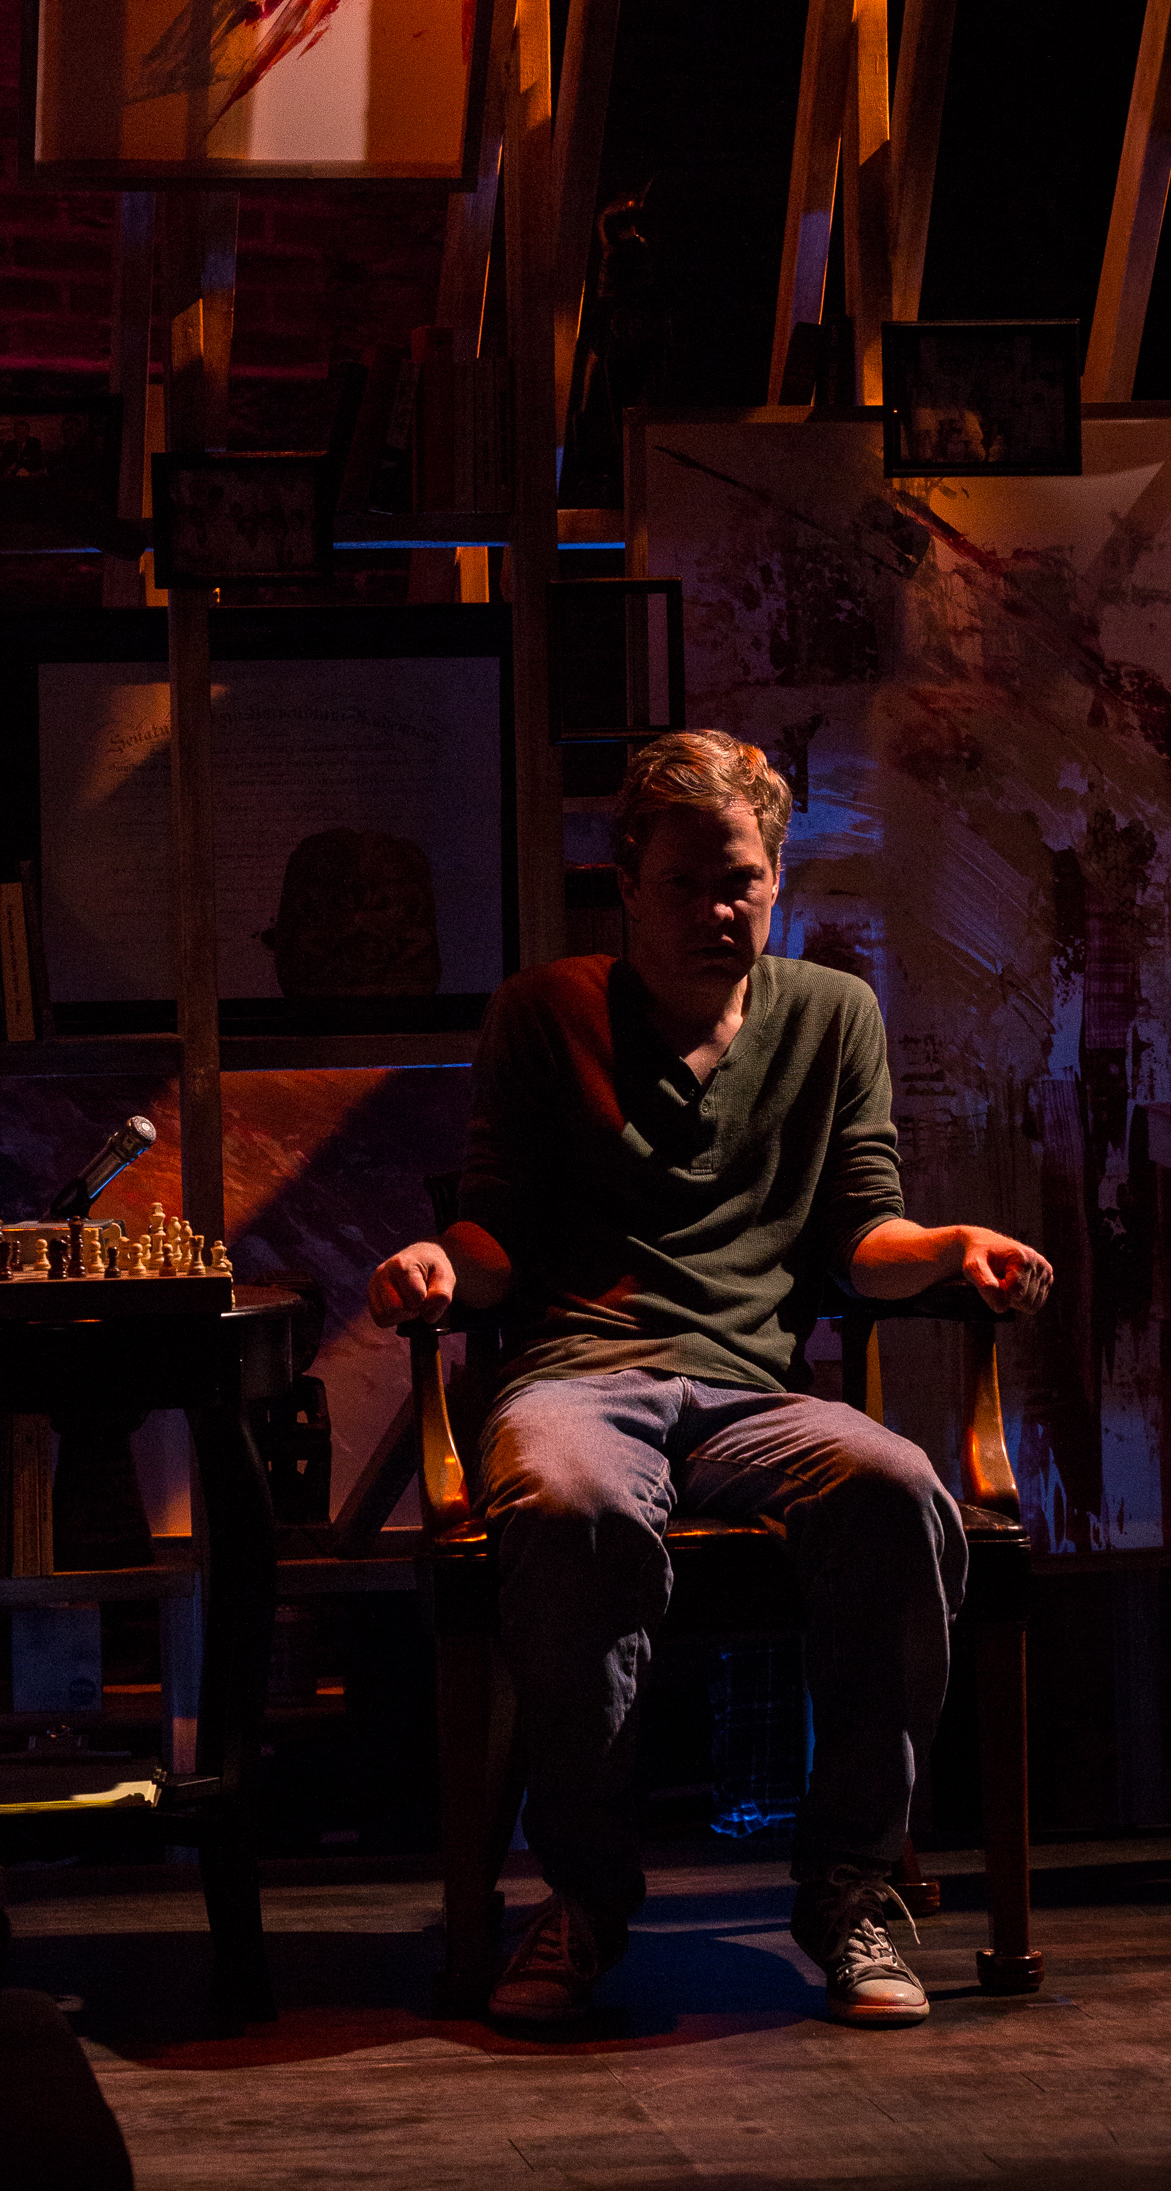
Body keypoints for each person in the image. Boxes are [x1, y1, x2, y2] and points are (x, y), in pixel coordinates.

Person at [367, 730, 1051, 2031]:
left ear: (776, 880)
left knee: (902, 1488)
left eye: (739, 880)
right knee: (574, 1506)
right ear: (628, 883)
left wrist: (952, 1246)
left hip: (751, 1390)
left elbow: (862, 1233)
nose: (714, 909)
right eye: (682, 883)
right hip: (579, 1374)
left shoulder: (832, 1016)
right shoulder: (546, 1011)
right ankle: (585, 1895)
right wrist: (443, 1264)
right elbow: (495, 1226)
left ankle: (850, 1889)